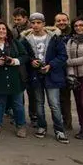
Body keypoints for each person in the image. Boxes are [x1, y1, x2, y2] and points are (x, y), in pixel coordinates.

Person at [20, 12, 69, 143]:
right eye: (33, 23)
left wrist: (51, 65)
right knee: (39, 103)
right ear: (30, 24)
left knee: (54, 104)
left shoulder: (54, 38)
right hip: (35, 75)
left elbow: (63, 56)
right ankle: (41, 126)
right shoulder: (25, 39)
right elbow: (23, 55)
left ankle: (59, 130)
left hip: (51, 75)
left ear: (44, 24)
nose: (36, 25)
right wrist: (31, 61)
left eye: (38, 22)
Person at [0, 21, 28, 138]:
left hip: (15, 78)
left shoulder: (15, 43)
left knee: (17, 104)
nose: (1, 31)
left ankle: (21, 125)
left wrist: (14, 61)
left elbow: (25, 56)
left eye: (3, 29)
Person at [54, 12, 73, 130]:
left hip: (74, 70)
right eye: (59, 21)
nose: (61, 23)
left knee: (82, 101)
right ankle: (65, 122)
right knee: (62, 98)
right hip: (58, 71)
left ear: (68, 21)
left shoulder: (74, 34)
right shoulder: (53, 35)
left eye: (64, 20)